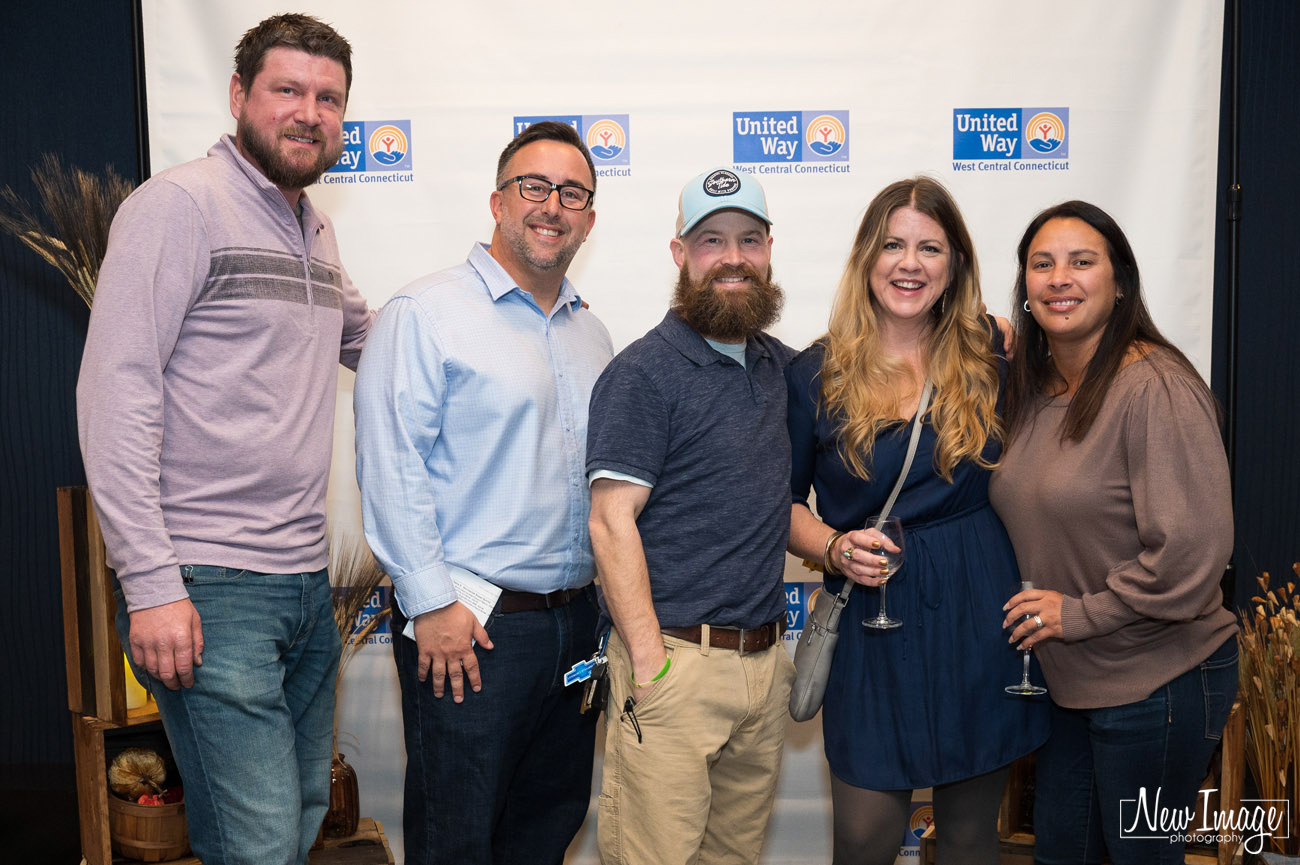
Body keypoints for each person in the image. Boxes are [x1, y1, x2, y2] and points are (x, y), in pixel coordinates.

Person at [76, 14, 371, 865]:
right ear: (240, 95)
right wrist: (153, 582)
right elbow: (115, 392)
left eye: (328, 98)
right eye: (287, 90)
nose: (308, 113)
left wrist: (481, 319)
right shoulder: (178, 206)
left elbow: (369, 338)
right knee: (261, 840)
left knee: (298, 814)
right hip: (208, 585)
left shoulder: (312, 227)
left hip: (302, 581)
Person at [353, 120, 612, 865]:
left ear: (589, 220)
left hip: (571, 627)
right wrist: (430, 602)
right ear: (498, 201)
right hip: (471, 628)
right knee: (456, 838)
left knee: (544, 830)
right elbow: (391, 462)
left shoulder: (592, 333)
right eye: (534, 186)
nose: (551, 206)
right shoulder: (426, 313)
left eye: (572, 193)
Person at [785, 177, 1049, 865]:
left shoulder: (996, 351)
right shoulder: (814, 373)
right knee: (865, 839)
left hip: (978, 612)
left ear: (955, 263)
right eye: (893, 245)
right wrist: (836, 545)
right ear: (866, 259)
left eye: (930, 247)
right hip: (874, 622)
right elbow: (781, 510)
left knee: (967, 838)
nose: (910, 263)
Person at [991, 200, 1237, 865]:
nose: (1059, 278)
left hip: (1158, 679)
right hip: (1069, 683)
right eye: (1042, 264)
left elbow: (1191, 554)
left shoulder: (1154, 386)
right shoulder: (1036, 390)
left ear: (1119, 281)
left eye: (1081, 261)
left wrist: (1080, 613)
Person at [586, 168, 795, 865]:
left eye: (747, 240)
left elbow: (879, 365)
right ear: (680, 253)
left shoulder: (779, 369)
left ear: (768, 251)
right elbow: (611, 521)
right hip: (674, 664)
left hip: (763, 669)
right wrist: (649, 662)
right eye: (711, 240)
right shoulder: (645, 372)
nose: (731, 257)